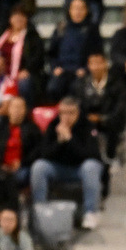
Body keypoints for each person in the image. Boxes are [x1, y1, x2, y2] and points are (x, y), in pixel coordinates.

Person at [30, 96, 105, 230]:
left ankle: (90, 213)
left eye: (71, 113)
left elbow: (90, 154)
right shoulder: (53, 126)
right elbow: (44, 153)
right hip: (59, 168)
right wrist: (59, 142)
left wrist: (70, 139)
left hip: (80, 168)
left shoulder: (87, 126)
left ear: (78, 113)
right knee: (39, 167)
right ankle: (39, 211)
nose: (66, 117)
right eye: (63, 113)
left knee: (91, 166)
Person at [45, 0, 102, 101]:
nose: (78, 12)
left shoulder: (92, 30)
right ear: (69, 10)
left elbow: (97, 54)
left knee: (76, 88)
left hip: (81, 72)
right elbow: (52, 53)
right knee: (53, 88)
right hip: (62, 70)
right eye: (75, 8)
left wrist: (86, 69)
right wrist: (55, 67)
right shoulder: (60, 28)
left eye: (81, 8)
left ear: (86, 11)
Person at [75, 52, 126, 163]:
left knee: (114, 127)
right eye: (92, 64)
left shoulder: (117, 83)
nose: (96, 67)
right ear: (88, 66)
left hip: (109, 120)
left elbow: (120, 108)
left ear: (105, 64)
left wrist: (102, 118)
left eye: (99, 63)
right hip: (88, 120)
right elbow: (79, 104)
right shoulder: (82, 83)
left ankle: (110, 157)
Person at [0, 5, 46, 104]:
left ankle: (23, 111)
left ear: (26, 19)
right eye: (15, 16)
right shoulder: (0, 35)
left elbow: (38, 58)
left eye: (22, 16)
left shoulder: (32, 36)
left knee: (24, 84)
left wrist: (27, 70)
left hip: (21, 73)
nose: (18, 19)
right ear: (10, 19)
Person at [0, 95, 43, 187]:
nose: (17, 110)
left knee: (19, 177)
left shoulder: (33, 129)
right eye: (14, 107)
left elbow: (38, 150)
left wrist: (22, 162)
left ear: (25, 111)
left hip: (23, 167)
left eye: (20, 107)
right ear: (9, 110)